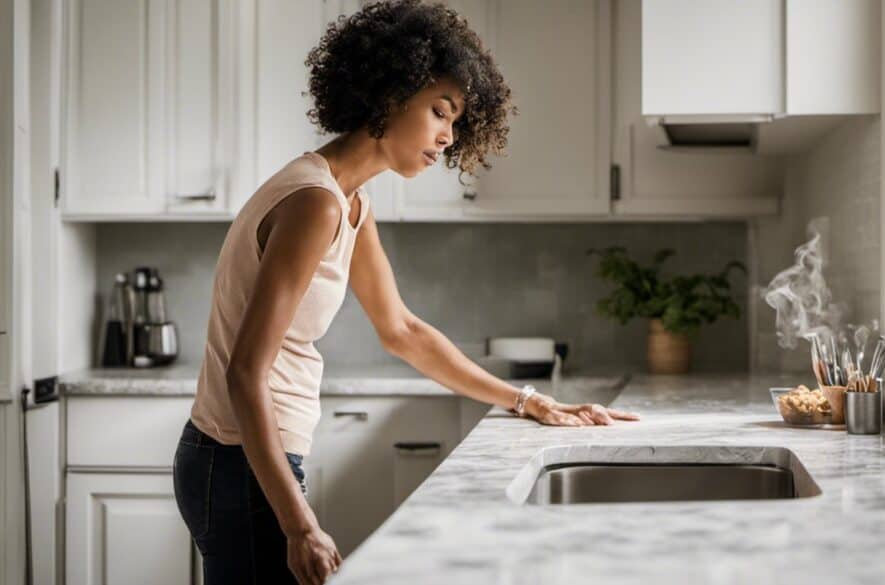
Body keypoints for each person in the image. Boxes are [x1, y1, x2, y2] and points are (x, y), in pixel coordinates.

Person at [172, 1, 641, 583]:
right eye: (440, 112)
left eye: (456, 123)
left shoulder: (349, 202)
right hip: (237, 463)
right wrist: (300, 525)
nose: (447, 137)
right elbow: (245, 373)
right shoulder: (314, 203)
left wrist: (530, 402)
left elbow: (402, 331)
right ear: (390, 94)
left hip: (248, 460)